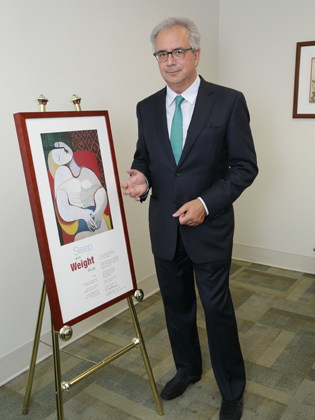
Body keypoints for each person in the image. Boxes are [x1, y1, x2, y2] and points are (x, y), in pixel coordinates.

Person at [122, 17, 258, 420]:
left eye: (178, 51)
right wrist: (140, 179)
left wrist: (205, 203)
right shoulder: (146, 107)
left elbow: (243, 167)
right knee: (176, 307)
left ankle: (232, 387)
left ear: (196, 54)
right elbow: (145, 158)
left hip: (209, 228)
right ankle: (188, 369)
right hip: (164, 228)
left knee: (217, 310)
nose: (170, 61)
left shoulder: (229, 101)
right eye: (162, 53)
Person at [48, 141, 110, 241]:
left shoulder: (86, 171)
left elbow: (100, 191)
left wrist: (99, 211)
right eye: (58, 156)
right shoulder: (60, 178)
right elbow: (64, 210)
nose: (64, 152)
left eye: (64, 150)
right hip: (81, 226)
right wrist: (83, 214)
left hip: (99, 220)